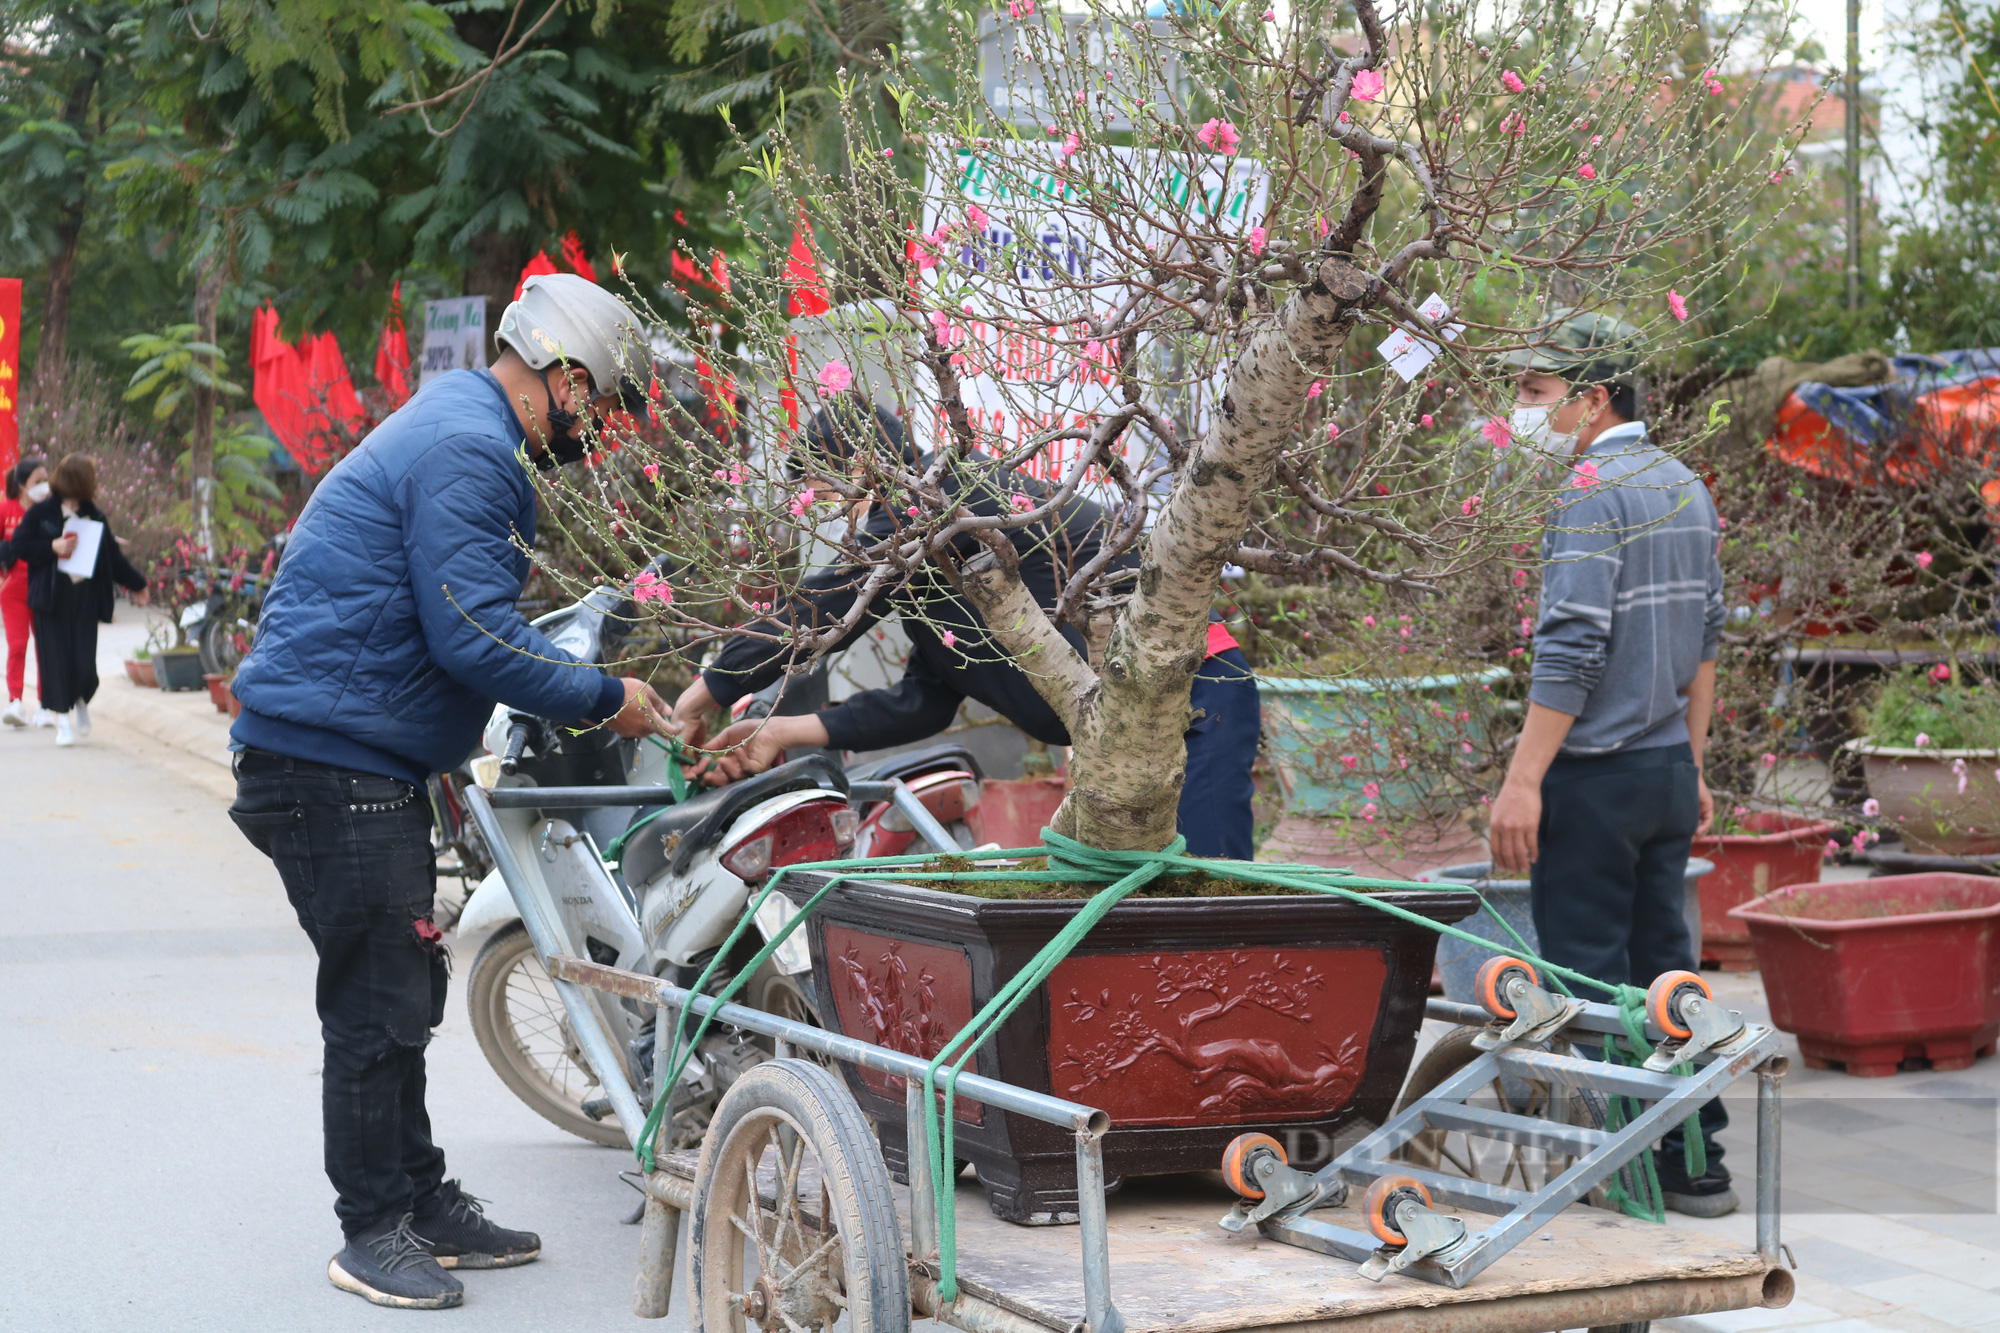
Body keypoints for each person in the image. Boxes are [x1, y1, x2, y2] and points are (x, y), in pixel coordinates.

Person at [225, 274, 677, 1310]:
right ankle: (371, 1231)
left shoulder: (467, 431)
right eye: (600, 405)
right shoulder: (472, 449)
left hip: (348, 755)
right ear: (562, 379)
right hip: (327, 763)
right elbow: (473, 634)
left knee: (402, 990)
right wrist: (607, 697)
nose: (598, 430)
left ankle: (419, 1200)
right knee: (377, 1003)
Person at [670, 396, 1261, 858]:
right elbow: (924, 700)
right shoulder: (929, 568)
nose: (837, 516)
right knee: (1139, 916)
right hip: (1116, 737)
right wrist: (776, 733)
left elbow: (824, 603)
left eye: (829, 492)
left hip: (1190, 691)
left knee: (1207, 894)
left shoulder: (945, 494)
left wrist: (703, 693)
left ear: (860, 465)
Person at [1484, 309, 1734, 1218]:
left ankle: (1625, 1171)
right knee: (1668, 972)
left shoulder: (1589, 488)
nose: (1526, 409)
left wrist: (1522, 780)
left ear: (1593, 398)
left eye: (1539, 391)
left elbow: (1571, 650)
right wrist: (1695, 766)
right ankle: (1695, 1159)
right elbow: (1708, 641)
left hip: (1594, 778)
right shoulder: (1683, 483)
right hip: (1666, 769)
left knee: (1593, 982)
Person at [6, 454, 149, 745]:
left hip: (84, 598)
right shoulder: (42, 512)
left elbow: (114, 558)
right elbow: (19, 544)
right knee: (55, 661)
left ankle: (81, 699)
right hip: (50, 598)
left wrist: (139, 585)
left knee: (84, 663)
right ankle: (62, 723)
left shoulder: (94, 515)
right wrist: (51, 546)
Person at [1, 456, 53, 728]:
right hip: (13, 589)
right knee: (18, 644)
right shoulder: (5, 509)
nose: (44, 486)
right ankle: (16, 702)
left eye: (46, 480)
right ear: (22, 486)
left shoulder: (50, 511)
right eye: (38, 481)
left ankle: (45, 705)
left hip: (43, 584)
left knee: (45, 646)